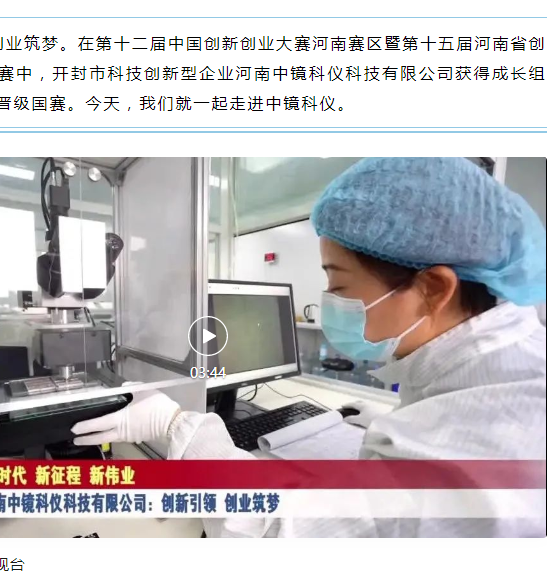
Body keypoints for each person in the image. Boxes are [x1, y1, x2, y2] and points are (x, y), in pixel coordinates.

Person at [72, 157, 546, 537]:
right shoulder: (501, 370)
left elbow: (275, 530)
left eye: (339, 285)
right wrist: (384, 422)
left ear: (435, 288)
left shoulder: (475, 436)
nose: (330, 302)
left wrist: (177, 426)